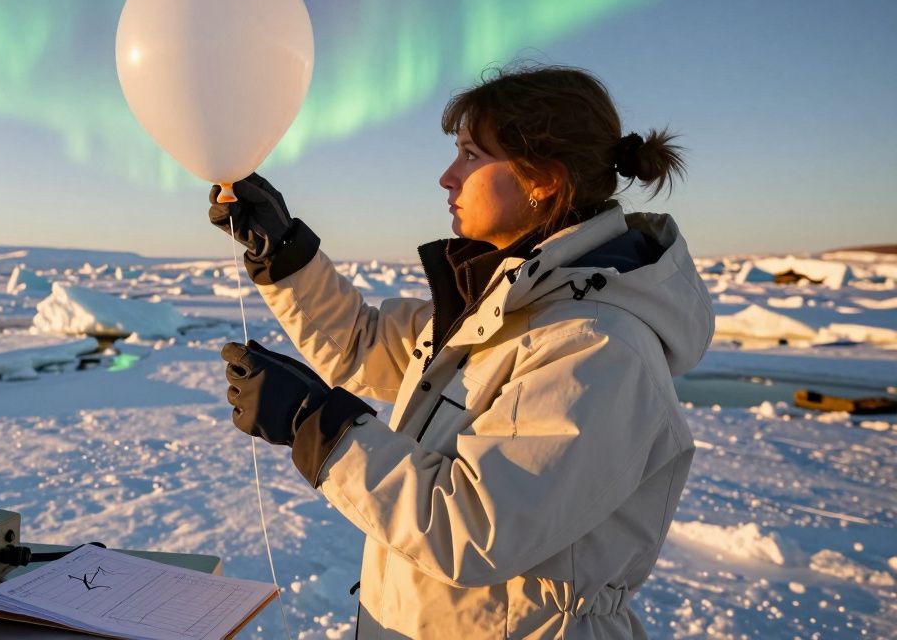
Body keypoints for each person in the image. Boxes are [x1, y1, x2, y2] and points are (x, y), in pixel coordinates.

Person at [209, 65, 715, 639]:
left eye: (471, 155)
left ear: (544, 180)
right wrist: (283, 252)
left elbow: (473, 529)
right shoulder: (506, 307)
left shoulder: (595, 347)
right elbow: (365, 345)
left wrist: (317, 426)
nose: (447, 177)